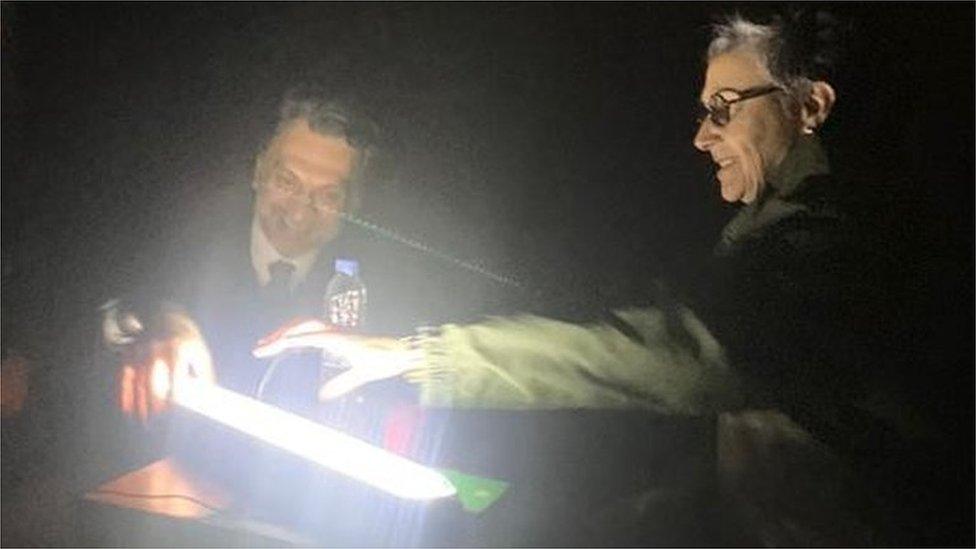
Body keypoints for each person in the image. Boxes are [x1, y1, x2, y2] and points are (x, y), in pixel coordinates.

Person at [253, 10, 972, 547]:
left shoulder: (841, 246)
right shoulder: (777, 233)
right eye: (701, 112)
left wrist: (422, 354)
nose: (700, 136)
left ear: (810, 106)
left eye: (723, 109)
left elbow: (690, 356)